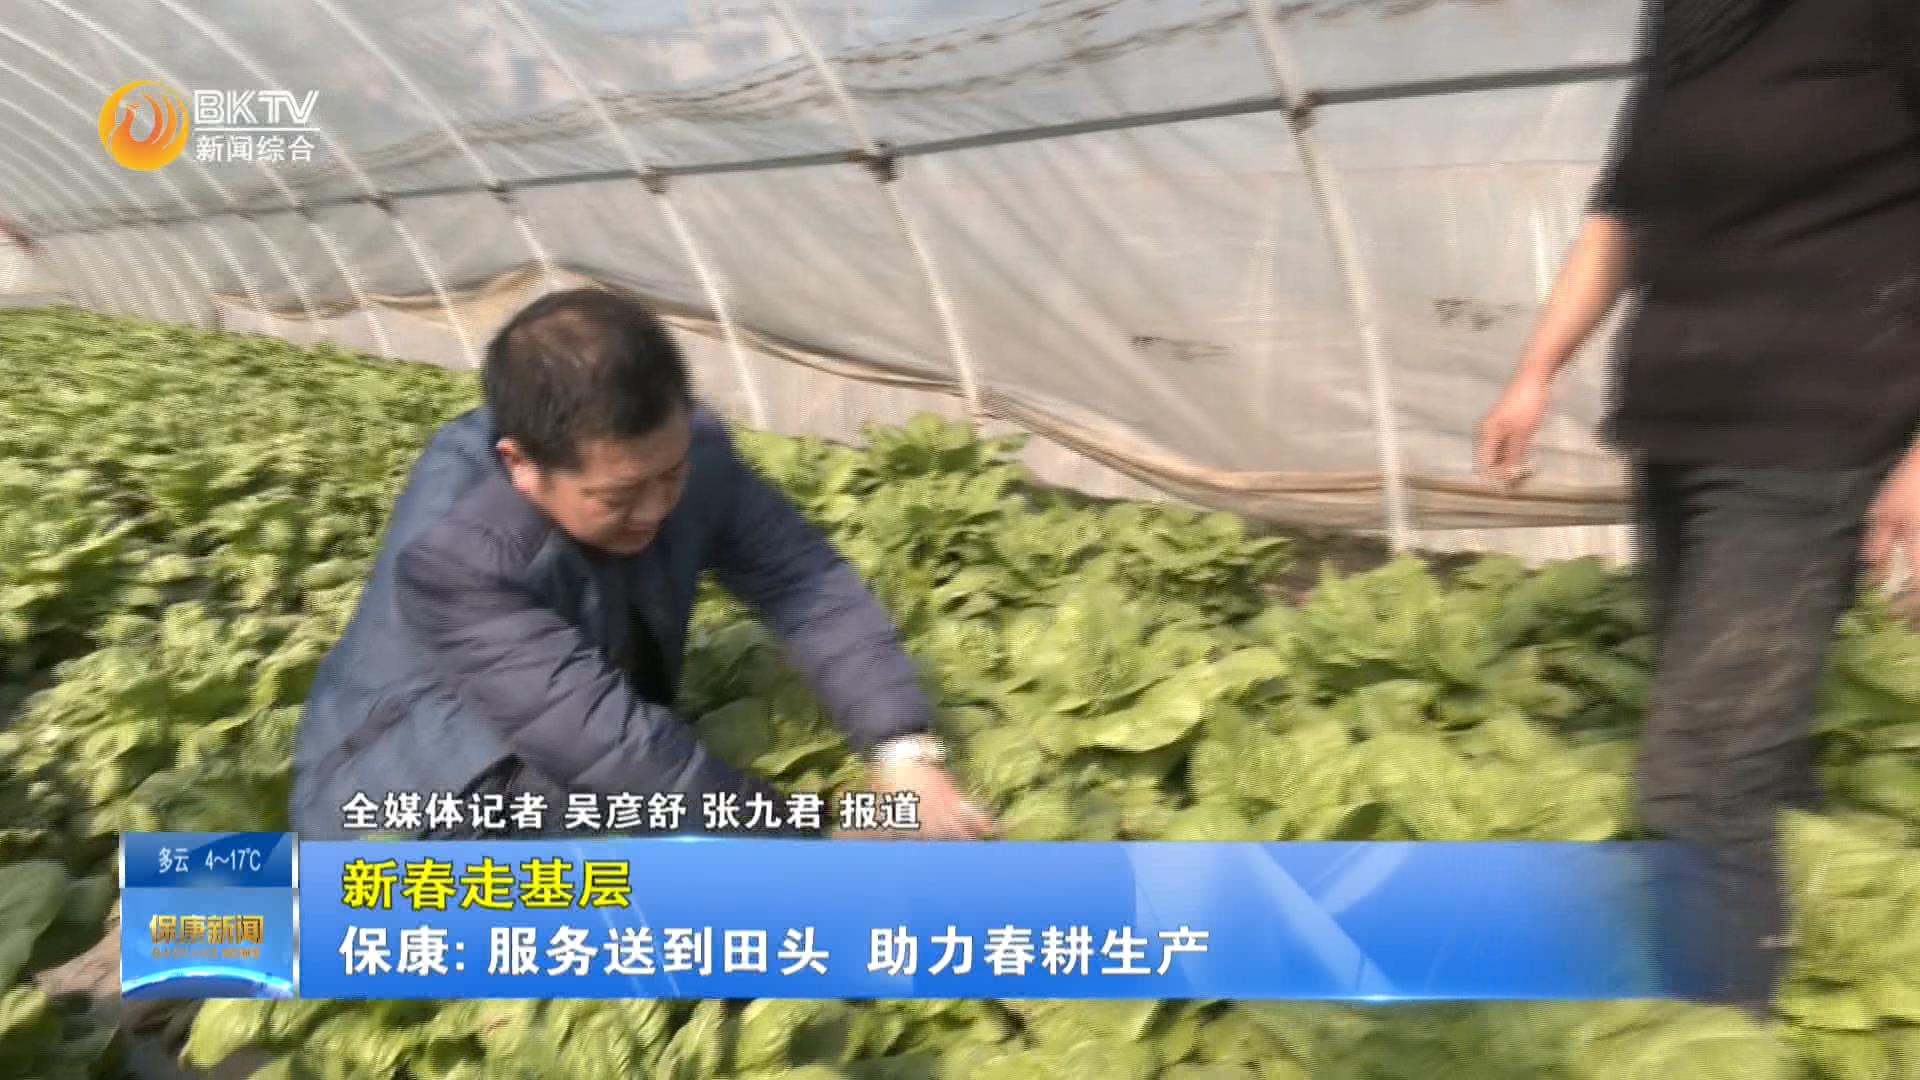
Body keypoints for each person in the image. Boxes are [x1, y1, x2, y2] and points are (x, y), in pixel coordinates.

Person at [1477, 0, 1920, 1016]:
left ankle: (1717, 1030)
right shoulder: (1690, 19)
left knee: (1700, 776)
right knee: (1749, 737)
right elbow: (1622, 215)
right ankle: (1800, 935)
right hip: (1678, 424)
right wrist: (1535, 373)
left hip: (1815, 432)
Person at [290, 287, 995, 843]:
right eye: (620, 496)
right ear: (522, 464)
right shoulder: (460, 556)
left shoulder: (685, 449)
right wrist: (808, 837)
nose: (657, 507)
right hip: (425, 797)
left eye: (671, 474)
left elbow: (802, 581)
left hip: (574, 736)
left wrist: (904, 753)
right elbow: (618, 755)